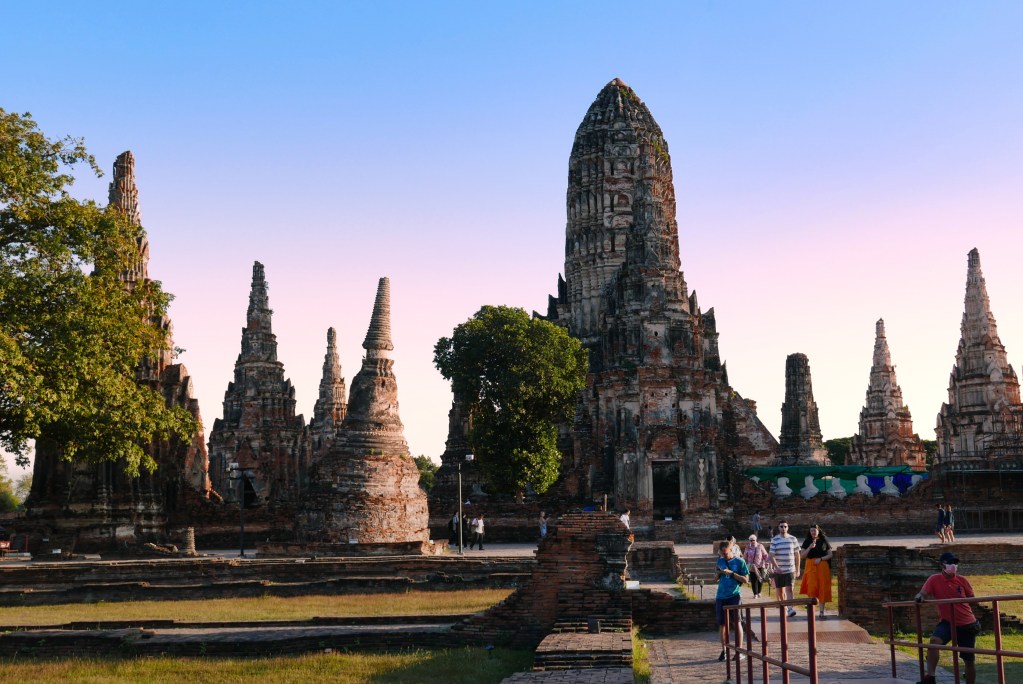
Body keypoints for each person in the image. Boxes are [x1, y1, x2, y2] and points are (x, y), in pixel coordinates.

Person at [914, 552, 981, 684]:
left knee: (968, 660)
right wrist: (920, 597)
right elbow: (923, 593)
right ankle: (931, 678)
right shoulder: (934, 579)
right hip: (947, 622)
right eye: (950, 563)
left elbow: (972, 599)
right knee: (934, 641)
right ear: (943, 565)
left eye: (955, 563)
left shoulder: (962, 580)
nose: (953, 566)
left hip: (967, 624)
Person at [715, 540, 750, 662]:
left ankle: (739, 650)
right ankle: (724, 651)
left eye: (726, 552)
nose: (724, 555)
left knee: (737, 622)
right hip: (721, 596)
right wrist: (719, 573)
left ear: (731, 550)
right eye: (722, 553)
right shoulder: (720, 561)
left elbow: (746, 580)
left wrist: (732, 573)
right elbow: (716, 578)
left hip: (734, 595)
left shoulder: (740, 562)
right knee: (722, 624)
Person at [798, 523, 833, 618]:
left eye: (815, 530)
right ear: (810, 532)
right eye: (811, 530)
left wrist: (821, 559)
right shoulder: (807, 541)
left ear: (818, 531)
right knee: (811, 587)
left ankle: (821, 612)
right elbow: (802, 556)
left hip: (822, 565)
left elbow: (830, 554)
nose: (813, 532)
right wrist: (810, 547)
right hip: (810, 566)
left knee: (822, 587)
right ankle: (811, 612)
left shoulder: (823, 540)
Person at [769, 520, 801, 617]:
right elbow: (771, 555)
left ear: (788, 527)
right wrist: (776, 567)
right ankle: (785, 607)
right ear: (778, 528)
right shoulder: (775, 540)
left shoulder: (793, 539)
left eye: (785, 526)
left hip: (790, 569)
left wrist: (798, 568)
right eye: (781, 526)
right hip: (779, 570)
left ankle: (791, 608)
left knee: (789, 588)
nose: (783, 528)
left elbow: (797, 555)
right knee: (780, 591)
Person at [744, 534, 769, 599]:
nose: (752, 541)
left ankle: (759, 592)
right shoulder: (747, 547)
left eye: (753, 540)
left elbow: (765, 555)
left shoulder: (760, 546)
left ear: (756, 540)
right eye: (751, 540)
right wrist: (745, 564)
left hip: (760, 565)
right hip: (751, 566)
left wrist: (767, 563)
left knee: (760, 579)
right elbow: (745, 556)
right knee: (753, 580)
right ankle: (755, 593)